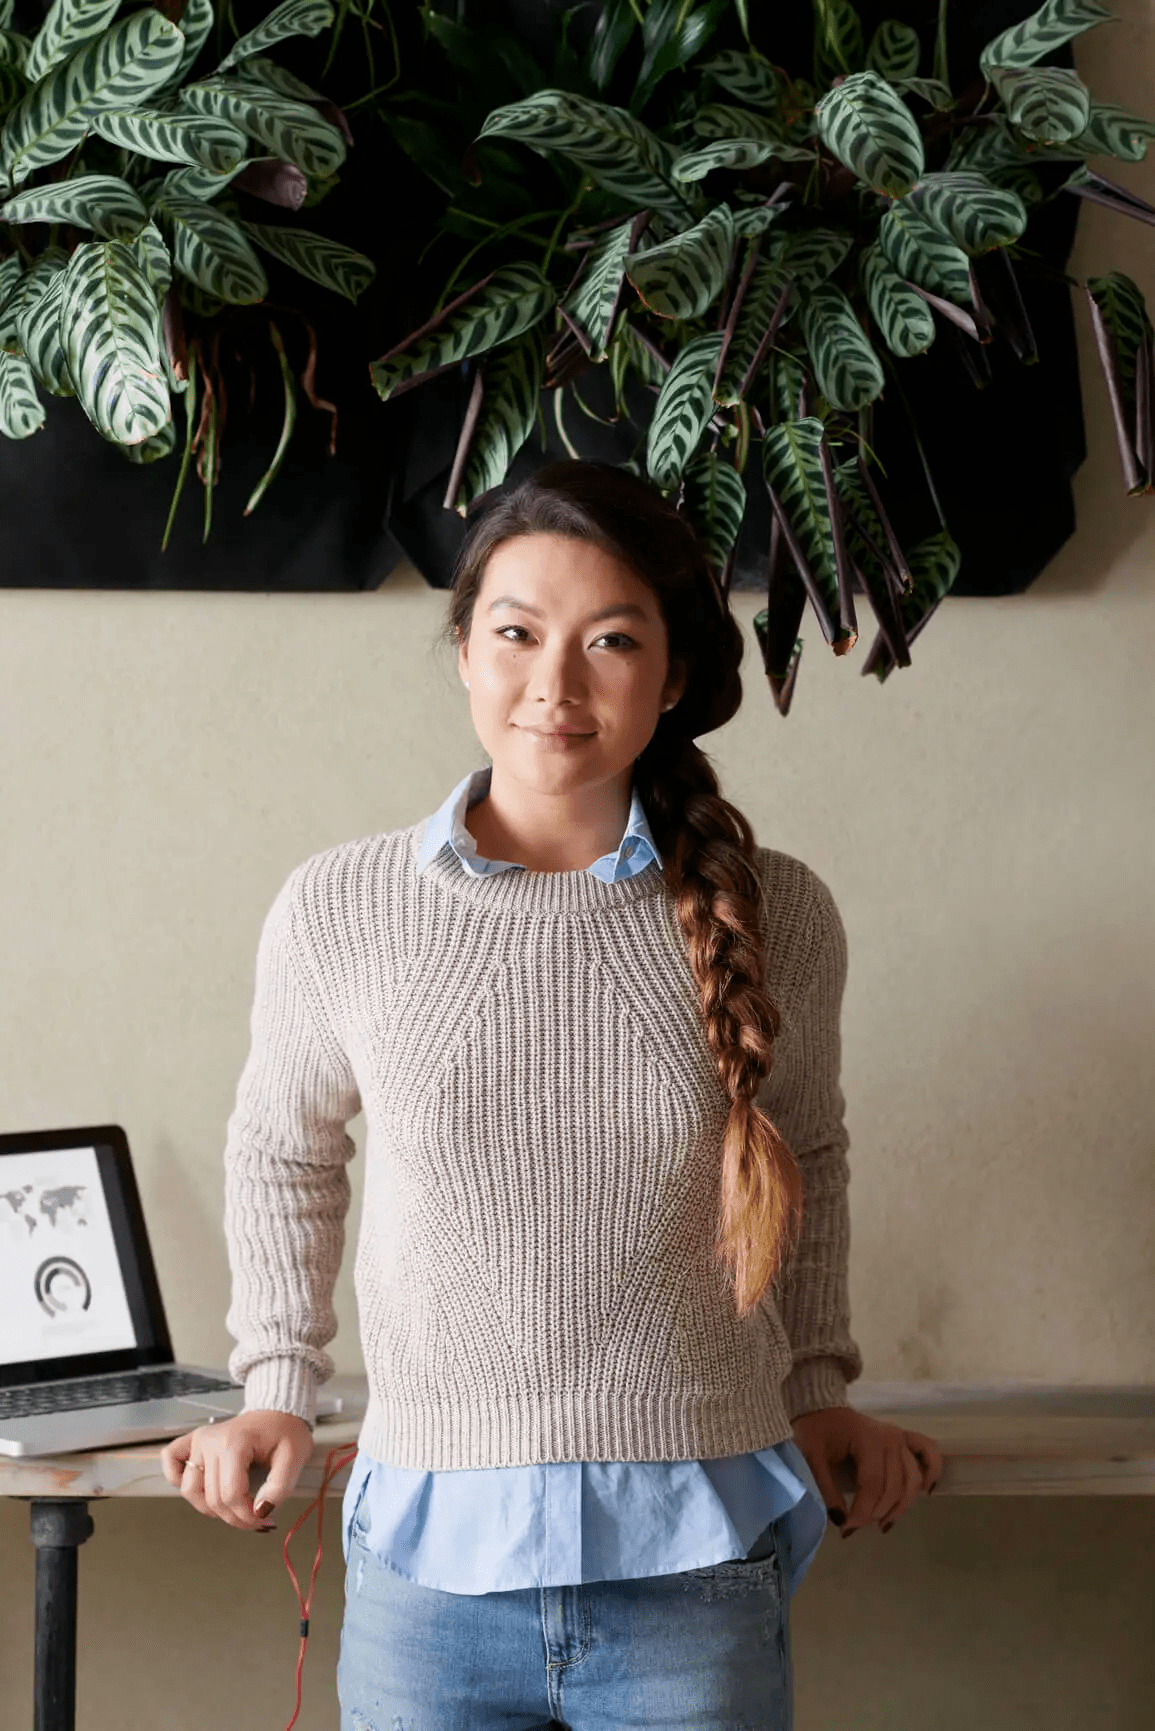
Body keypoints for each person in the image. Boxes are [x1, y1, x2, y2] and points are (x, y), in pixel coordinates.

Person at [162, 459, 942, 1729]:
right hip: (429, 1576)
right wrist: (273, 1383)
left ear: (674, 674)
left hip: (695, 1564)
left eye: (613, 641)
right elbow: (283, 1152)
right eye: (516, 632)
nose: (554, 685)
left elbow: (807, 1151)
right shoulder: (340, 908)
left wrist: (821, 1385)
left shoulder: (777, 910)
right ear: (464, 649)